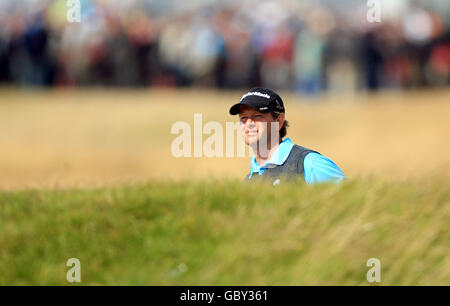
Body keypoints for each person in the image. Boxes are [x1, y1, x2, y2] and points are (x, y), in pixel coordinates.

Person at [229, 87, 346, 184]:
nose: (249, 124)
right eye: (243, 118)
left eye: (257, 116)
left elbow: (354, 203)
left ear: (279, 121)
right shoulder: (247, 181)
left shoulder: (309, 164)